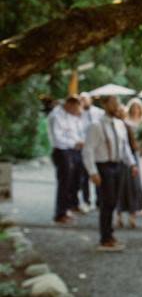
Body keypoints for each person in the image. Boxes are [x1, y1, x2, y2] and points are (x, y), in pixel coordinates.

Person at [82, 96, 138, 252]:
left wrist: (132, 163)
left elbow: (125, 147)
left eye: (117, 103)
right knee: (106, 202)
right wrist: (92, 172)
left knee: (113, 201)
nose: (116, 107)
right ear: (104, 105)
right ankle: (105, 237)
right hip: (103, 166)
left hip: (118, 165)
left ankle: (110, 235)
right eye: (112, 104)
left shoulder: (120, 125)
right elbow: (88, 150)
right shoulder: (96, 126)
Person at [47, 96, 85, 224]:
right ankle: (60, 213)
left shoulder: (71, 115)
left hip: (73, 150)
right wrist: (75, 143)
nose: (77, 110)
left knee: (74, 181)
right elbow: (57, 138)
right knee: (64, 182)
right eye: (75, 107)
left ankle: (69, 207)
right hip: (62, 151)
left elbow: (76, 131)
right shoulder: (56, 116)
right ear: (69, 104)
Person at [115, 104, 142, 229]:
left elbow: (131, 146)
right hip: (123, 161)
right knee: (127, 188)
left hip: (128, 161)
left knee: (128, 188)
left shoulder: (124, 127)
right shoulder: (121, 126)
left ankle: (125, 217)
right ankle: (121, 217)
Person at [78, 92, 105, 210]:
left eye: (86, 99)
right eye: (81, 99)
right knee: (85, 176)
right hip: (84, 147)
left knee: (98, 173)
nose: (84, 101)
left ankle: (99, 201)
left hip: (97, 149)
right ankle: (86, 200)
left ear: (90, 100)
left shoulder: (99, 113)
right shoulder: (78, 114)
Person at [126, 97, 142, 205]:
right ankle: (133, 200)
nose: (135, 110)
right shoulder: (126, 122)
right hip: (131, 151)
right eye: (133, 107)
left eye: (138, 107)